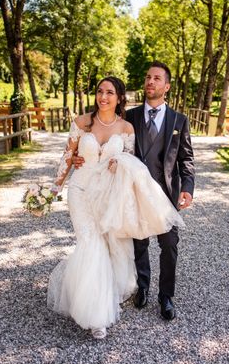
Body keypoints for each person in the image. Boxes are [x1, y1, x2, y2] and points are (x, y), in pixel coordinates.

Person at [47, 76, 184, 339]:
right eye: (100, 91)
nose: (103, 97)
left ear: (119, 97)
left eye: (110, 92)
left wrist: (117, 162)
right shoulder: (82, 123)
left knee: (105, 246)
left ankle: (94, 299)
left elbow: (131, 161)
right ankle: (96, 316)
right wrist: (53, 189)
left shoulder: (126, 128)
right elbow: (67, 157)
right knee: (90, 244)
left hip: (108, 194)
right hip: (80, 191)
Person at [73, 61, 195, 321]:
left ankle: (166, 297)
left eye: (157, 78)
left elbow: (186, 160)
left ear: (167, 86)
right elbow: (109, 141)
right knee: (138, 242)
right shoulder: (131, 117)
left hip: (166, 193)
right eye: (148, 77)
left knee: (169, 245)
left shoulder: (179, 121)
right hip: (133, 190)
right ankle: (143, 287)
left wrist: (187, 188)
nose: (151, 82)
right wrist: (80, 158)